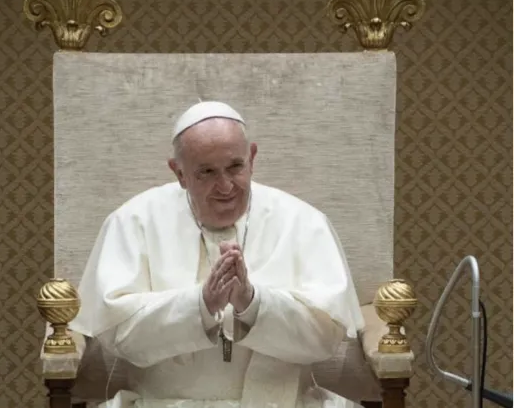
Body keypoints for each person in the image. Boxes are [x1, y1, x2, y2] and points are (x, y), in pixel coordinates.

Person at [70, 101, 364, 408]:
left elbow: (325, 338)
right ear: (179, 173)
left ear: (252, 157)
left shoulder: (303, 222)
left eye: (235, 167)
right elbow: (119, 335)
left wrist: (253, 304)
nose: (225, 186)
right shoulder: (133, 221)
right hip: (165, 404)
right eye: (207, 172)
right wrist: (200, 304)